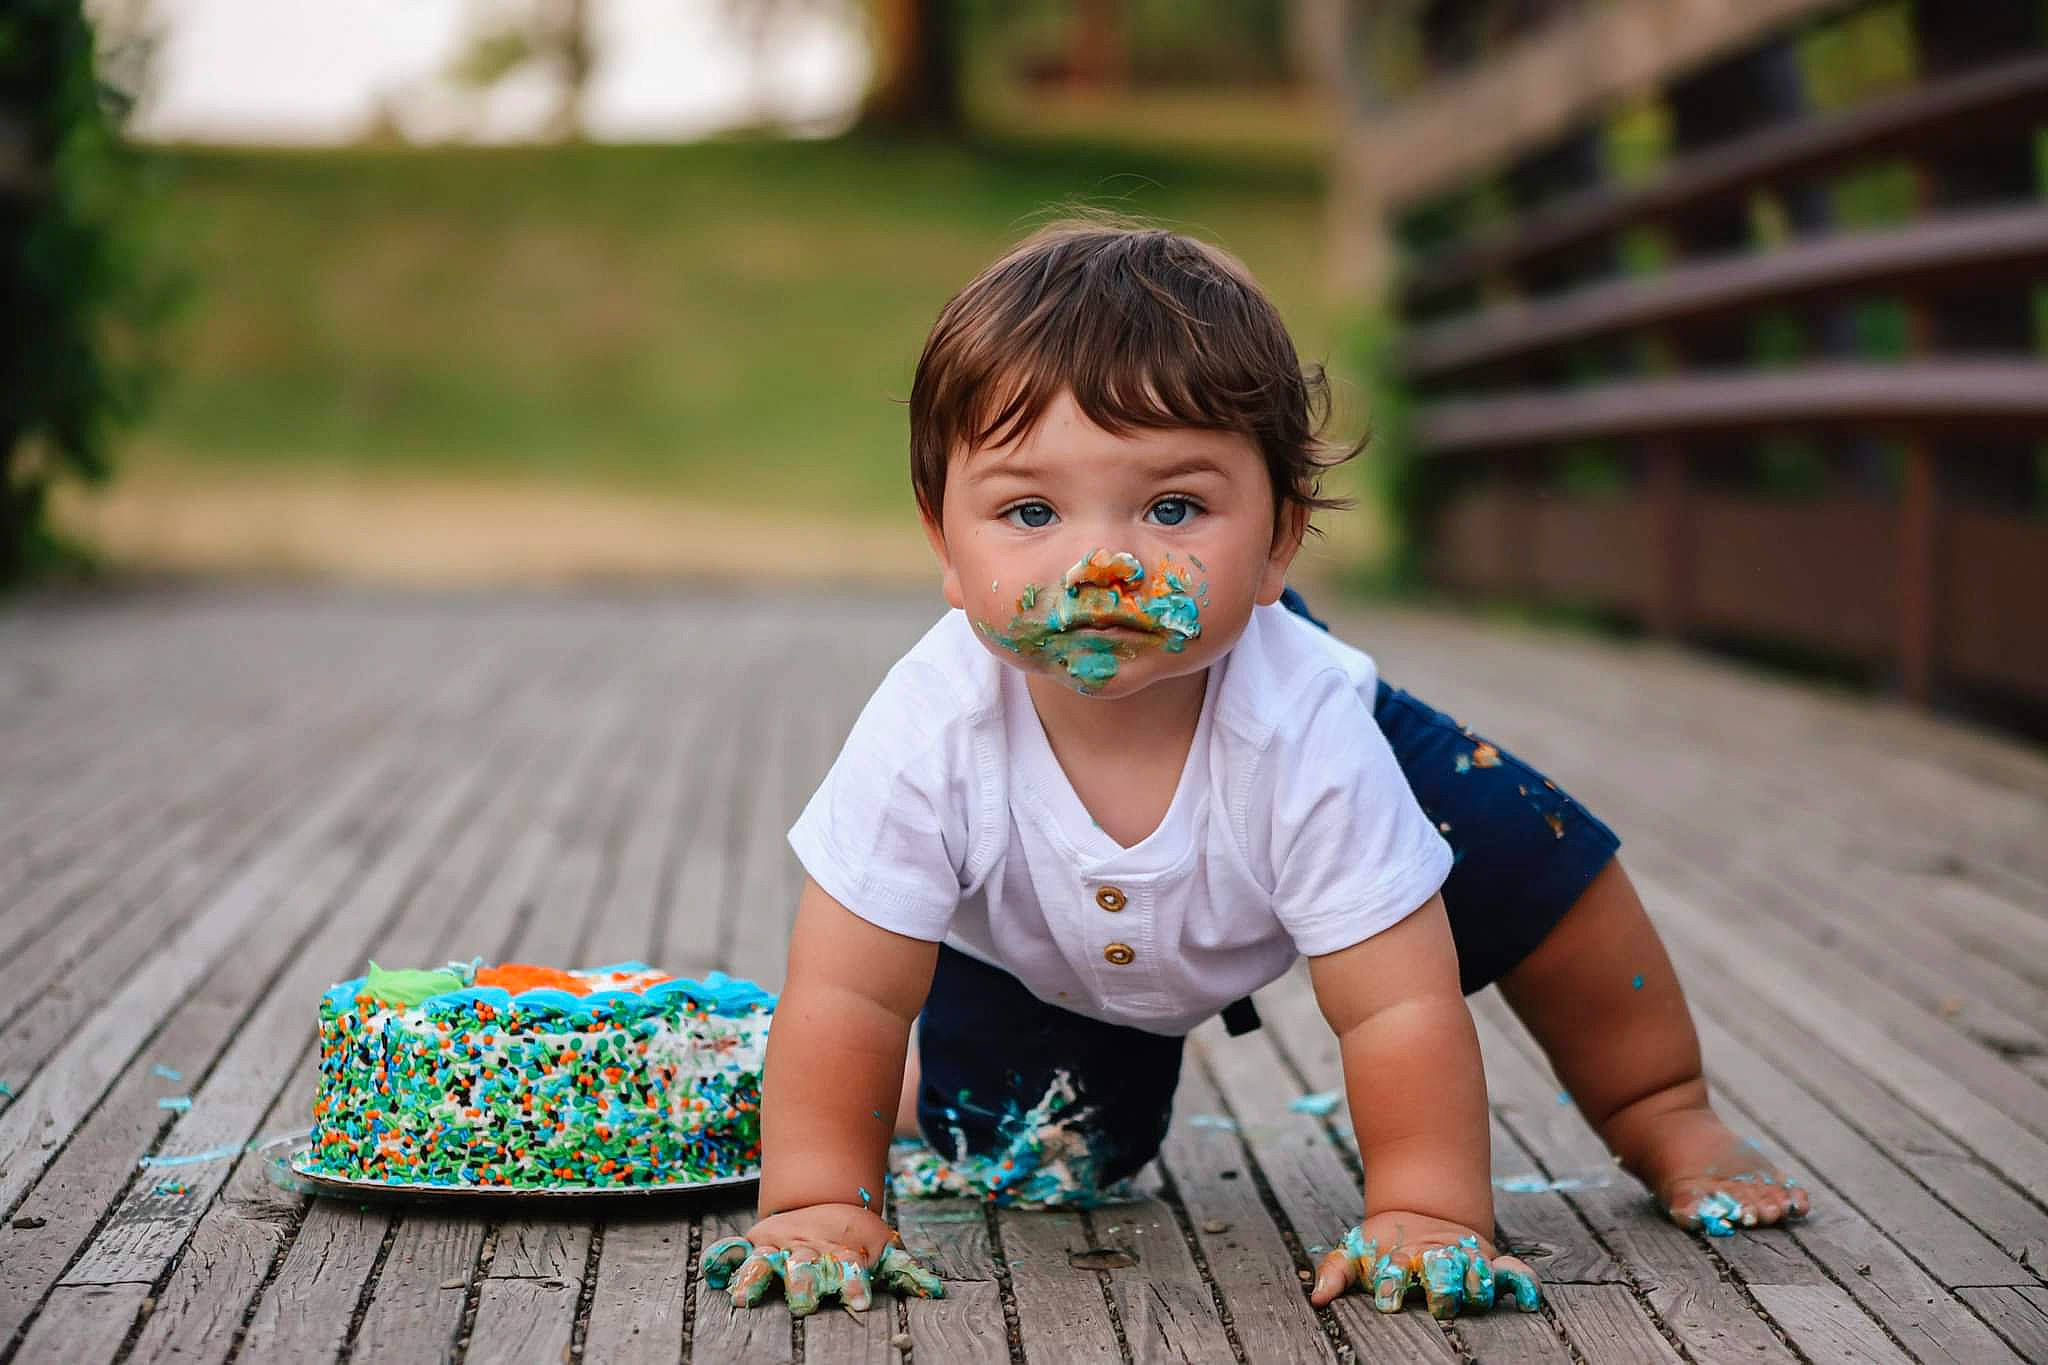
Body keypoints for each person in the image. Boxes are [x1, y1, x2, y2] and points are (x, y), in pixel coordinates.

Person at [702, 219, 1808, 1321]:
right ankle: (916, 1096)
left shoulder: (1305, 729)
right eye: (1029, 512)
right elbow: (848, 987)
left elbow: (1393, 1006)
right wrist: (816, 1200)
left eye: (1172, 508)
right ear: (945, 543)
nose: (1103, 567)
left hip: (1297, 762)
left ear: (1280, 539)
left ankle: (1665, 1108)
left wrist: (1427, 1208)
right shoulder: (929, 727)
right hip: (1041, 947)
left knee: (1535, 862)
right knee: (1035, 1160)